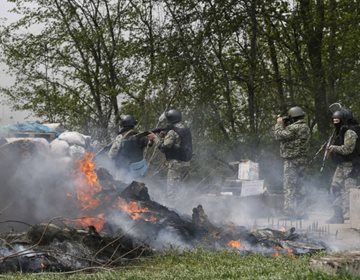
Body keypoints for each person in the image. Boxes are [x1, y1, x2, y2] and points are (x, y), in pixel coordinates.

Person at [274, 106, 310, 219]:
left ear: (292, 117)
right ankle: (302, 213)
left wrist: (279, 124)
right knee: (301, 187)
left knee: (289, 187)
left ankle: (289, 213)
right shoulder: (305, 127)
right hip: (302, 160)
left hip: (292, 160)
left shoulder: (294, 128)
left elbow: (278, 135)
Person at [147, 109, 193, 200]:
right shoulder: (185, 129)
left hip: (175, 165)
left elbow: (164, 147)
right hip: (186, 163)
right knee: (182, 190)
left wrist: (155, 138)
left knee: (172, 193)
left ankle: (174, 212)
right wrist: (164, 136)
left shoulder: (172, 132)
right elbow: (178, 142)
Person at [327, 108, 360, 223]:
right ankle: (338, 215)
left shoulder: (350, 132)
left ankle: (349, 218)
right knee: (335, 188)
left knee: (348, 192)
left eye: (338, 121)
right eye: (334, 121)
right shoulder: (341, 131)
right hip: (342, 165)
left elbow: (348, 149)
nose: (336, 123)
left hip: (351, 166)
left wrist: (334, 148)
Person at [108, 115, 149, 182]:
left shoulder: (120, 137)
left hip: (124, 171)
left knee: (121, 189)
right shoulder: (141, 136)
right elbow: (148, 143)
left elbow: (111, 154)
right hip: (139, 170)